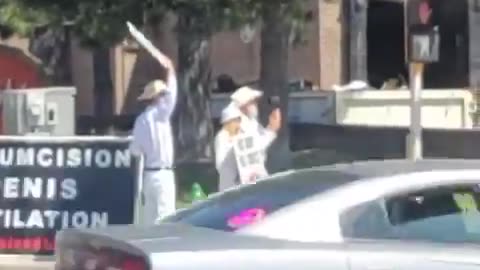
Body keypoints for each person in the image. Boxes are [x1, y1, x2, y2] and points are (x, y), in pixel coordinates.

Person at [128, 22, 178, 225]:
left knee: (149, 218)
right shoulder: (161, 113)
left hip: (149, 175)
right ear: (158, 97)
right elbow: (173, 96)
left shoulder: (141, 120)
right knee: (165, 218)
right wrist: (171, 71)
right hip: (163, 174)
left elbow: (134, 151)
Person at [230, 86, 281, 176]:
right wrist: (272, 131)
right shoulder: (237, 125)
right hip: (245, 177)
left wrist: (270, 127)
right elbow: (251, 148)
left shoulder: (253, 122)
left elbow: (260, 138)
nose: (256, 104)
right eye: (252, 102)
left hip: (258, 172)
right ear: (243, 105)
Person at [214, 104, 243, 192]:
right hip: (228, 182)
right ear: (227, 122)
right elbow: (220, 163)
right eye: (235, 121)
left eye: (239, 120)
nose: (238, 124)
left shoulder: (240, 135)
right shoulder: (221, 137)